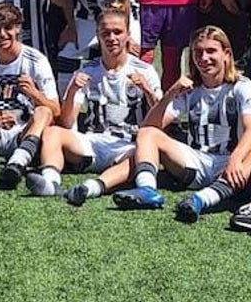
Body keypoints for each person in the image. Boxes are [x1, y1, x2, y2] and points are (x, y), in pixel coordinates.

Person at [107, 27, 251, 221]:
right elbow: (149, 126)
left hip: (234, 164)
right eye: (198, 52)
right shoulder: (191, 89)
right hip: (196, 161)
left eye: (211, 51)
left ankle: (200, 200)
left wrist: (234, 160)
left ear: (226, 54)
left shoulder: (242, 87)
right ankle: (147, 190)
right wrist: (171, 92)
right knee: (148, 133)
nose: (204, 58)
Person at [26, 6, 162, 198]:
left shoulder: (145, 71)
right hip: (92, 142)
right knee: (53, 132)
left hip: (127, 145)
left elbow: (160, 121)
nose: (112, 38)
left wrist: (147, 90)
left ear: (128, 35)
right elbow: (66, 123)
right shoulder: (87, 70)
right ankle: (50, 181)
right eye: (105, 33)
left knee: (144, 155)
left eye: (117, 32)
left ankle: (93, 187)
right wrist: (73, 91)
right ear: (98, 36)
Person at [0, 3, 60, 190]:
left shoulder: (36, 60)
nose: (2, 34)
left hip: (25, 132)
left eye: (8, 28)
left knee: (44, 111)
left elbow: (56, 111)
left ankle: (17, 162)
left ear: (18, 28)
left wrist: (33, 93)